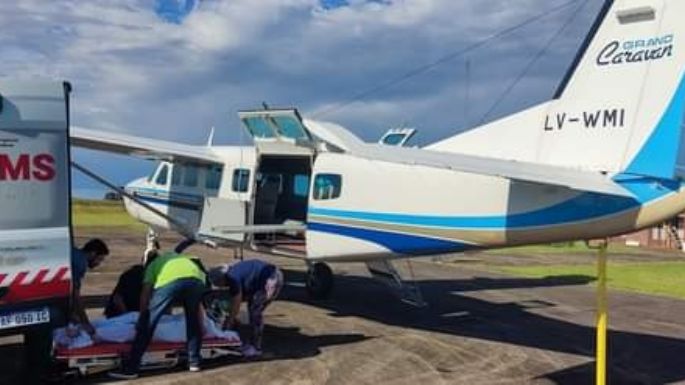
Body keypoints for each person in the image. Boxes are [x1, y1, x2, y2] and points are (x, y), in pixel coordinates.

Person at [108, 250, 207, 380]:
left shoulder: (152, 266)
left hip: (173, 281)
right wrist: (202, 324)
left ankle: (131, 368)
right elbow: (197, 307)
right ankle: (194, 362)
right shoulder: (179, 258)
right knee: (192, 322)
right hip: (198, 278)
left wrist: (143, 317)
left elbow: (145, 294)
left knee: (149, 322)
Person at [207, 259, 284, 358]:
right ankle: (242, 338)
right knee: (249, 307)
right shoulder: (233, 272)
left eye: (219, 285)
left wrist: (229, 321)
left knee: (255, 311)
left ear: (221, 280)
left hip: (271, 279)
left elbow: (237, 302)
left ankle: (256, 348)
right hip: (269, 277)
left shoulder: (232, 278)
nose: (222, 287)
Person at [103, 249, 159, 318]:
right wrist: (127, 315)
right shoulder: (132, 275)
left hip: (134, 314)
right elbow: (117, 298)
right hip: (119, 314)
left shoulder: (152, 276)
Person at [71, 238, 110, 338]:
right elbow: (75, 295)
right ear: (93, 253)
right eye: (99, 259)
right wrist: (85, 322)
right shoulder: (80, 263)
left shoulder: (74, 253)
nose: (99, 263)